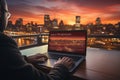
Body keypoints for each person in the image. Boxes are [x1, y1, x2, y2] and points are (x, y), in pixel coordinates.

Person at [0, 0, 75, 80]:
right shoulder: (4, 42)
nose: (8, 18)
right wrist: (61, 66)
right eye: (7, 15)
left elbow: (4, 62)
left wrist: (25, 59)